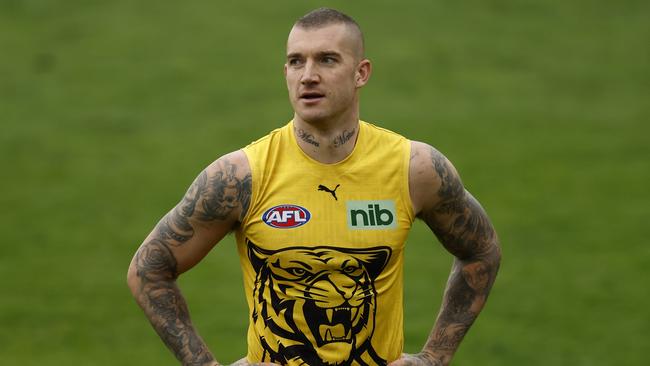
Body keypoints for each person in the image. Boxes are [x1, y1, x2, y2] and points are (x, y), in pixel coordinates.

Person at [127, 7, 501, 366]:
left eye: (327, 59)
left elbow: (481, 251)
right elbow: (148, 271)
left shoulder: (414, 169)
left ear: (361, 72)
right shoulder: (241, 176)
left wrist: (436, 356)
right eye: (296, 61)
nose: (307, 75)